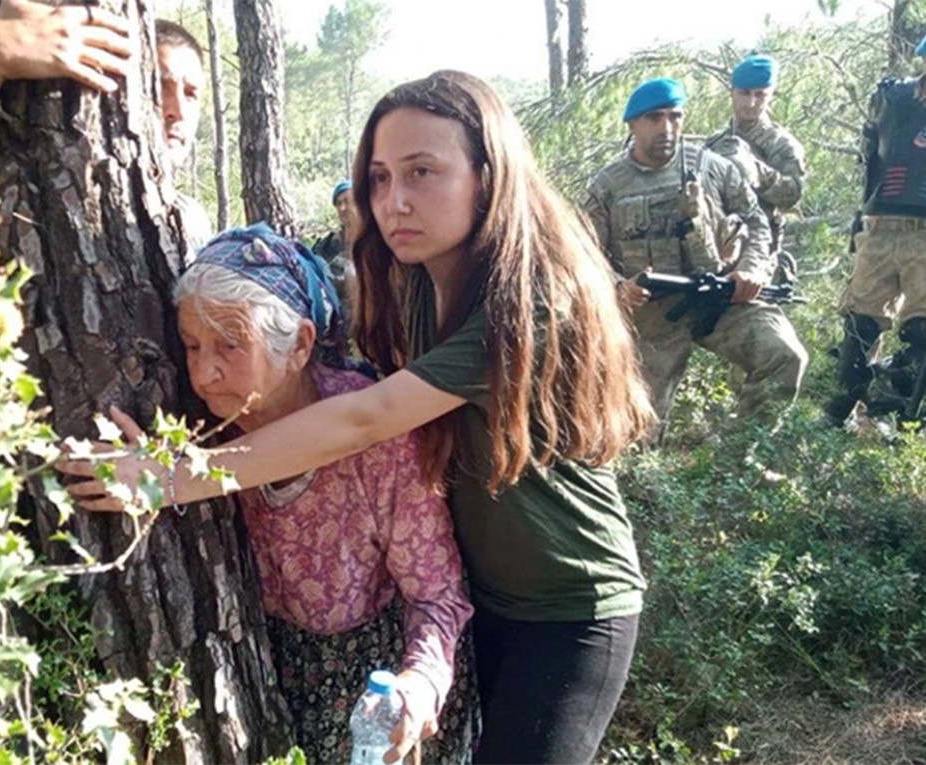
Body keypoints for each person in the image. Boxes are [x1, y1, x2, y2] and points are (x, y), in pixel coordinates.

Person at [62, 69, 654, 764]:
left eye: (422, 171)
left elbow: (363, 419)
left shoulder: (525, 302)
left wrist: (173, 477)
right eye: (377, 178)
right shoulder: (420, 286)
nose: (393, 201)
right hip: (489, 592)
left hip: (571, 605)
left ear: (487, 176)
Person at [168, 225, 476, 764]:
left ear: (302, 344)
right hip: (262, 672)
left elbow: (436, 595)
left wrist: (420, 681)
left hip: (375, 688)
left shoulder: (377, 437)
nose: (204, 373)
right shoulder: (204, 426)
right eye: (192, 346)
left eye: (230, 344)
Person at [0, 0, 212, 253]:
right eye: (159, 87)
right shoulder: (37, 197)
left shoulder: (193, 224)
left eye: (192, 93)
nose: (177, 110)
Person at [583, 77, 808, 437]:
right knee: (639, 427)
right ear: (632, 124)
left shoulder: (714, 167)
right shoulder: (608, 185)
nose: (667, 127)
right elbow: (584, 253)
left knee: (783, 355)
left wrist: (751, 269)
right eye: (655, 118)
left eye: (675, 117)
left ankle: (741, 463)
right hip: (653, 313)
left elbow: (756, 222)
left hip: (721, 297)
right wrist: (616, 287)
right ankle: (643, 481)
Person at [824, 35, 926, 428]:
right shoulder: (891, 98)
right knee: (860, 326)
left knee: (922, 334)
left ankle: (906, 427)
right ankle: (841, 413)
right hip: (881, 226)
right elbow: (872, 161)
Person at [706, 54, 808, 284]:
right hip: (716, 252)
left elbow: (792, 195)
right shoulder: (715, 143)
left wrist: (760, 173)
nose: (751, 102)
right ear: (732, 92)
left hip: (759, 255)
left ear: (770, 95)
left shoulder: (780, 144)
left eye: (760, 94)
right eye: (744, 93)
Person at [311, 180, 360, 322]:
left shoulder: (373, 237)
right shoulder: (328, 244)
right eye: (338, 204)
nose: (343, 207)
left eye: (347, 201)